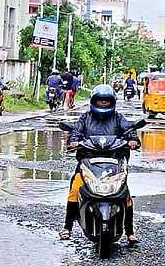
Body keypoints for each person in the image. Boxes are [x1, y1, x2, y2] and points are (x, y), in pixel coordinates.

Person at [58, 84, 140, 244]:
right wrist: (73, 140)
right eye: (100, 100)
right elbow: (75, 131)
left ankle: (130, 231)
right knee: (75, 189)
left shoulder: (118, 118)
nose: (103, 103)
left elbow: (129, 130)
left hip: (114, 162)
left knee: (126, 194)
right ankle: (67, 227)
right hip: (88, 162)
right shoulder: (85, 117)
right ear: (94, 101)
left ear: (112, 102)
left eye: (106, 101)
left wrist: (133, 139)